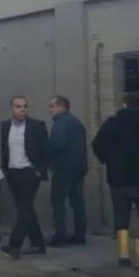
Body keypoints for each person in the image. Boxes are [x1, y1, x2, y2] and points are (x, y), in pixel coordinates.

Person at [91, 92, 139, 266]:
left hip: (117, 178)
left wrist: (108, 160)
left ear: (124, 104)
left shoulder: (112, 123)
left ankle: (124, 254)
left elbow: (97, 144)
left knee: (121, 215)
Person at [0, 96, 50, 259]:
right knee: (26, 209)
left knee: (24, 209)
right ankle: (38, 244)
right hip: (13, 173)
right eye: (18, 106)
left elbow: (46, 150)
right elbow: (5, 149)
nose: (22, 109)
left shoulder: (36, 126)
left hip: (29, 173)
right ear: (12, 109)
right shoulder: (6, 126)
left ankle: (15, 245)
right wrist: (6, 170)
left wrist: (39, 171)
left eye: (24, 106)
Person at [48, 95, 88, 247]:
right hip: (78, 168)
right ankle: (79, 235)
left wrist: (47, 152)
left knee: (57, 201)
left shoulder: (61, 123)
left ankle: (60, 236)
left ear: (60, 106)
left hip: (63, 168)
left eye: (51, 106)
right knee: (77, 201)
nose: (50, 110)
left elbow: (58, 145)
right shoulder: (77, 123)